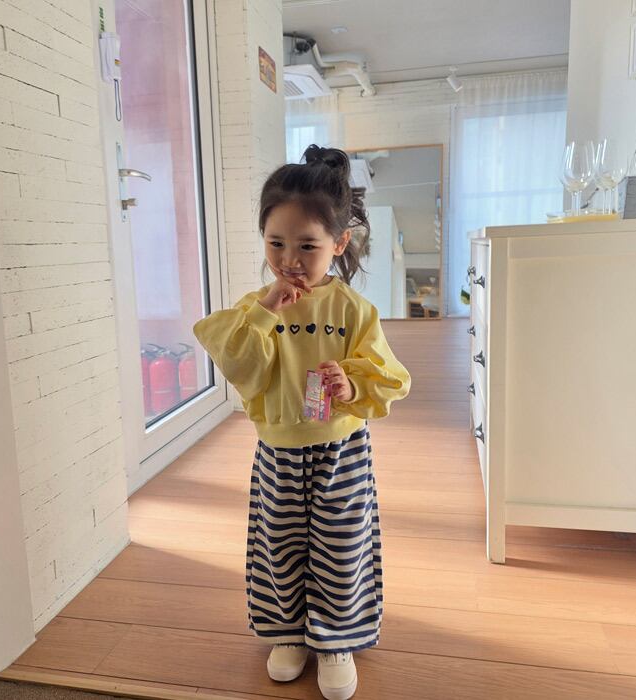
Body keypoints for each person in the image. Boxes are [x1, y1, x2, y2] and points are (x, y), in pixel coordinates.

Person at [192, 144, 411, 700]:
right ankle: (287, 633)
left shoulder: (352, 309)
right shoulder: (256, 307)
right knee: (280, 542)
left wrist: (351, 384)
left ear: (338, 243)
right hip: (279, 449)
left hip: (341, 450)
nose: (290, 259)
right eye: (276, 243)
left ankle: (336, 639)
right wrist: (266, 308)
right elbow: (239, 364)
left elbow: (389, 375)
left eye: (307, 245)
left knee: (341, 543)